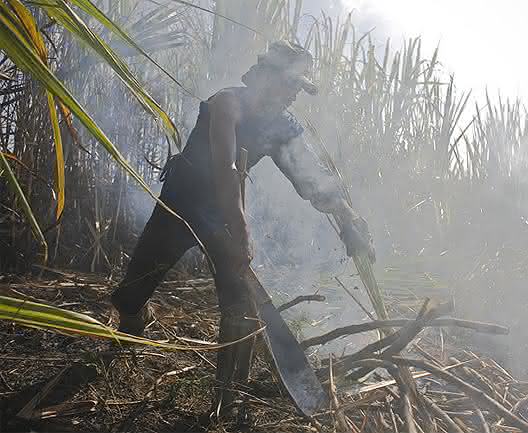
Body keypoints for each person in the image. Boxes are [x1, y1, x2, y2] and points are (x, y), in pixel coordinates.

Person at [110, 40, 374, 415]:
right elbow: (226, 168)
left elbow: (312, 180)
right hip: (181, 204)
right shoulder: (227, 102)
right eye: (289, 85)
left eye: (298, 88)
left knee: (238, 302)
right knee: (133, 291)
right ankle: (132, 326)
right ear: (265, 78)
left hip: (221, 216)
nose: (292, 96)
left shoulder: (282, 126)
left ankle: (229, 394)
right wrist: (242, 230)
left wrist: (349, 217)